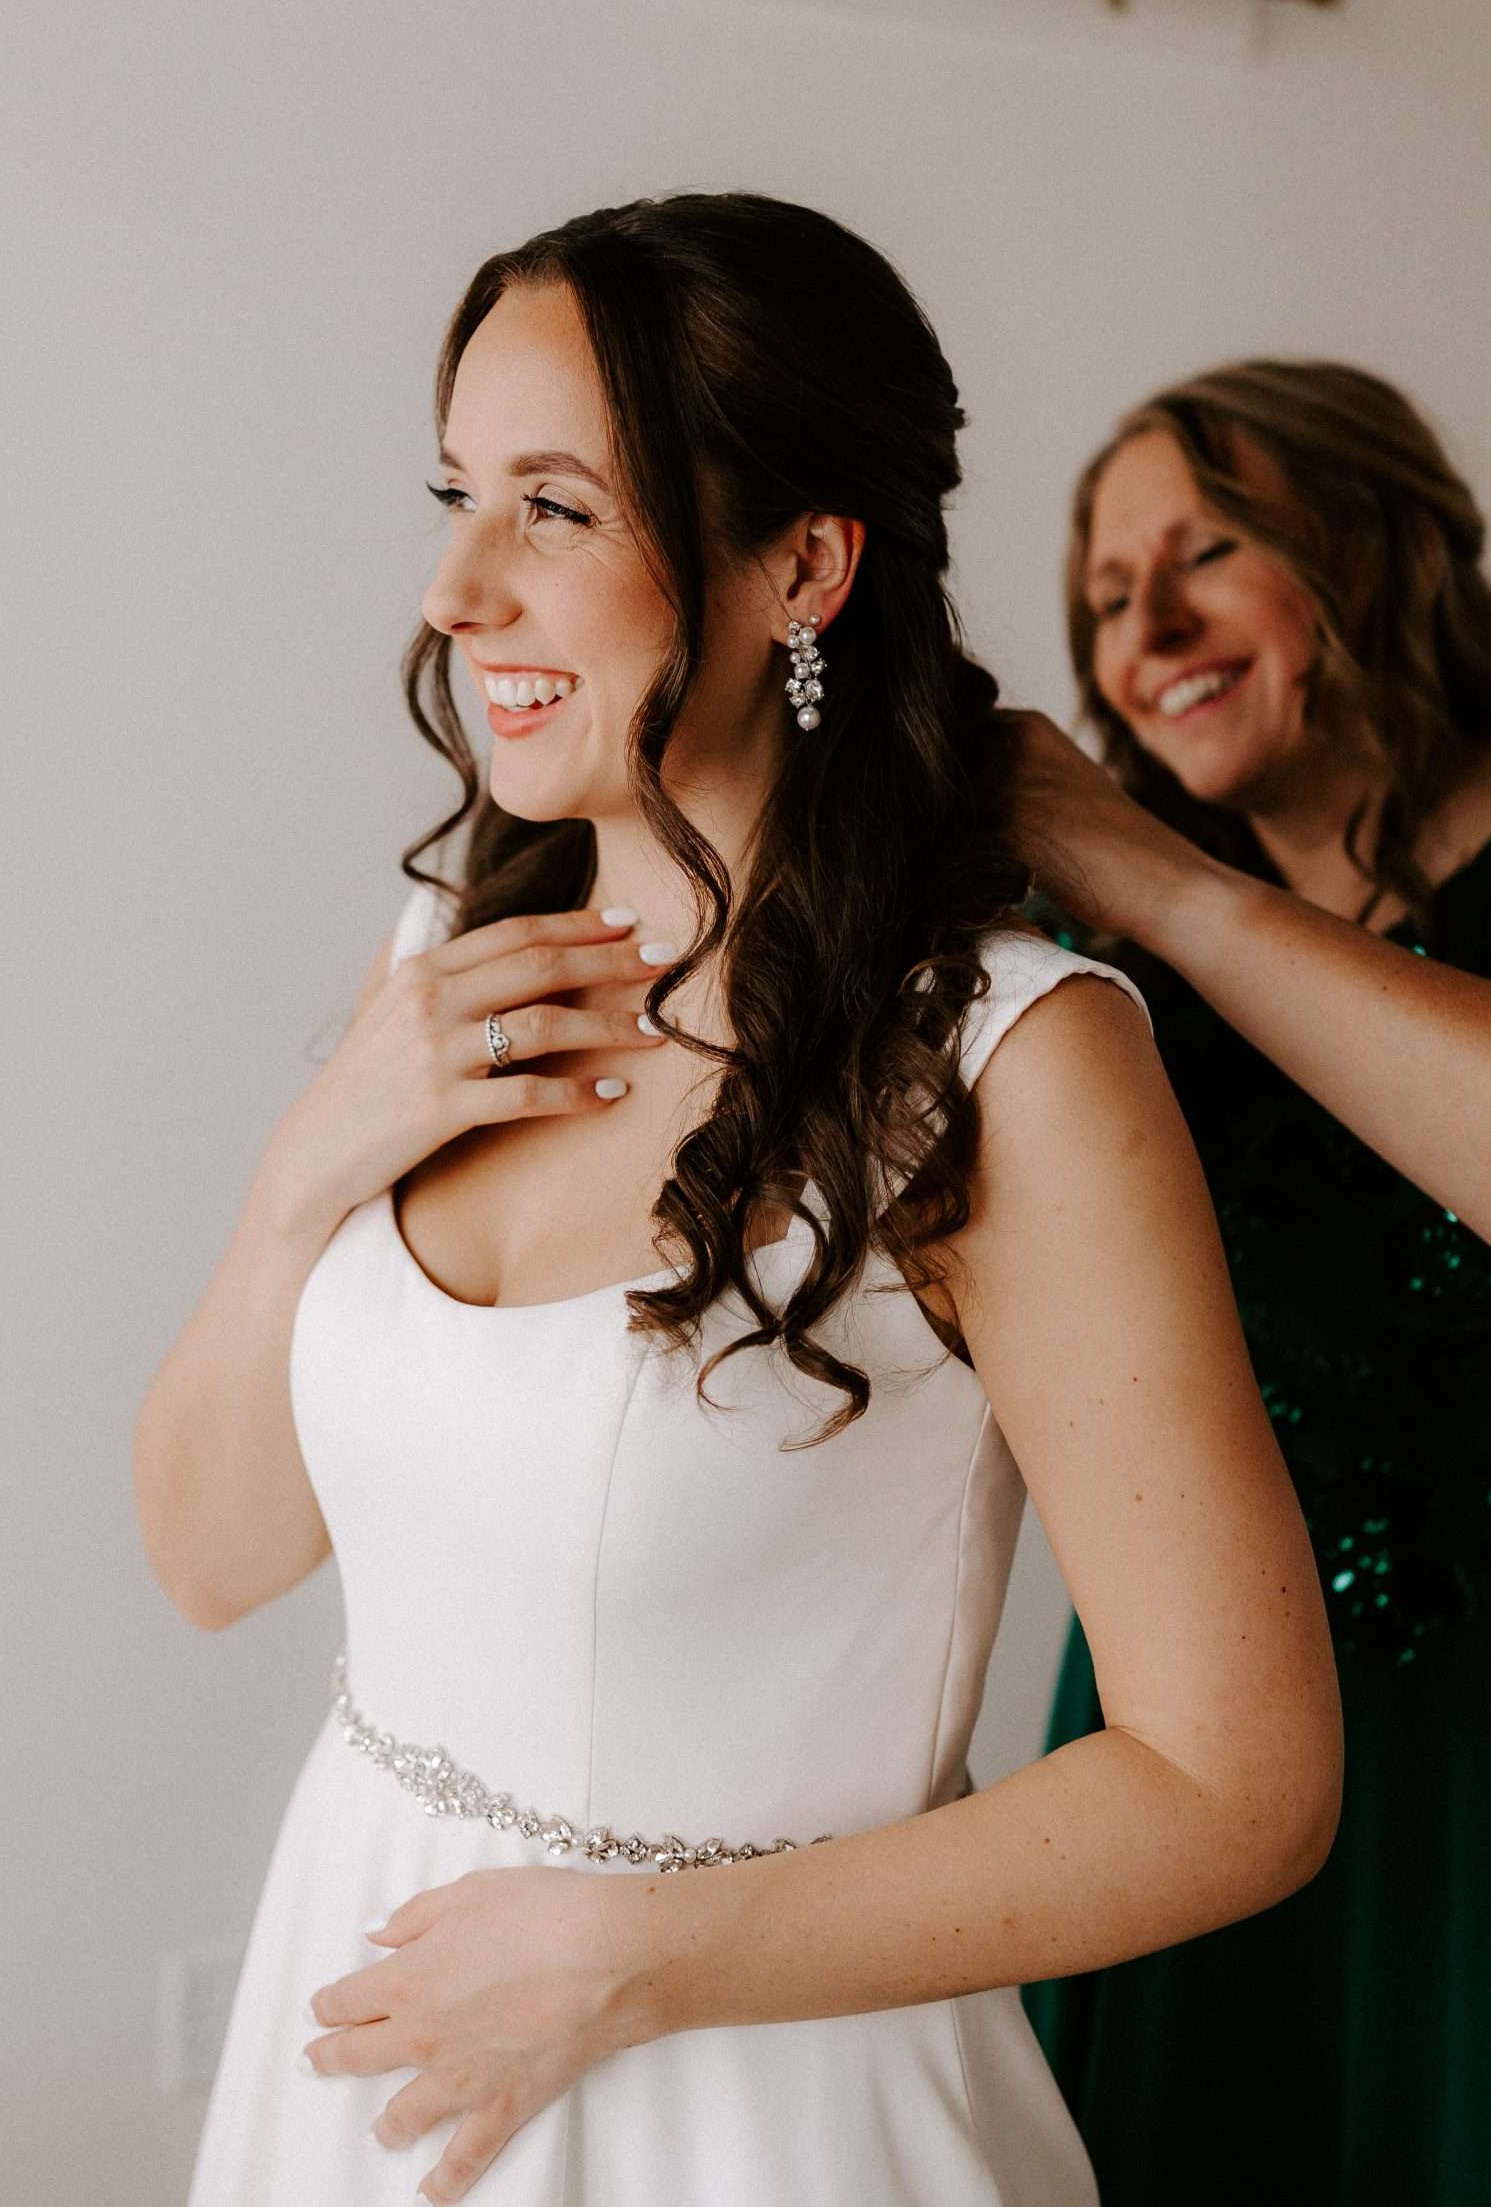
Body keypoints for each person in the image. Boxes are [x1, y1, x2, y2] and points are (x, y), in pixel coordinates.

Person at [134, 196, 1339, 2207]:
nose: (452, 587)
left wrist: (633, 1963)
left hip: (757, 2102)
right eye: (454, 494)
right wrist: (304, 1172)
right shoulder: (448, 950)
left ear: (798, 561)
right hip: (358, 2045)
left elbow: (1238, 1782)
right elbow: (207, 1548)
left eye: (550, 508)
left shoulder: (1010, 1061)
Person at [1013, 360, 1491, 2207]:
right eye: (1108, 596)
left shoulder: (1152, 895)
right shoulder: (1089, 956)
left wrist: (1159, 886)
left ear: (1373, 542)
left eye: (1206, 552)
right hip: (1200, 1703)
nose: (1147, 629)